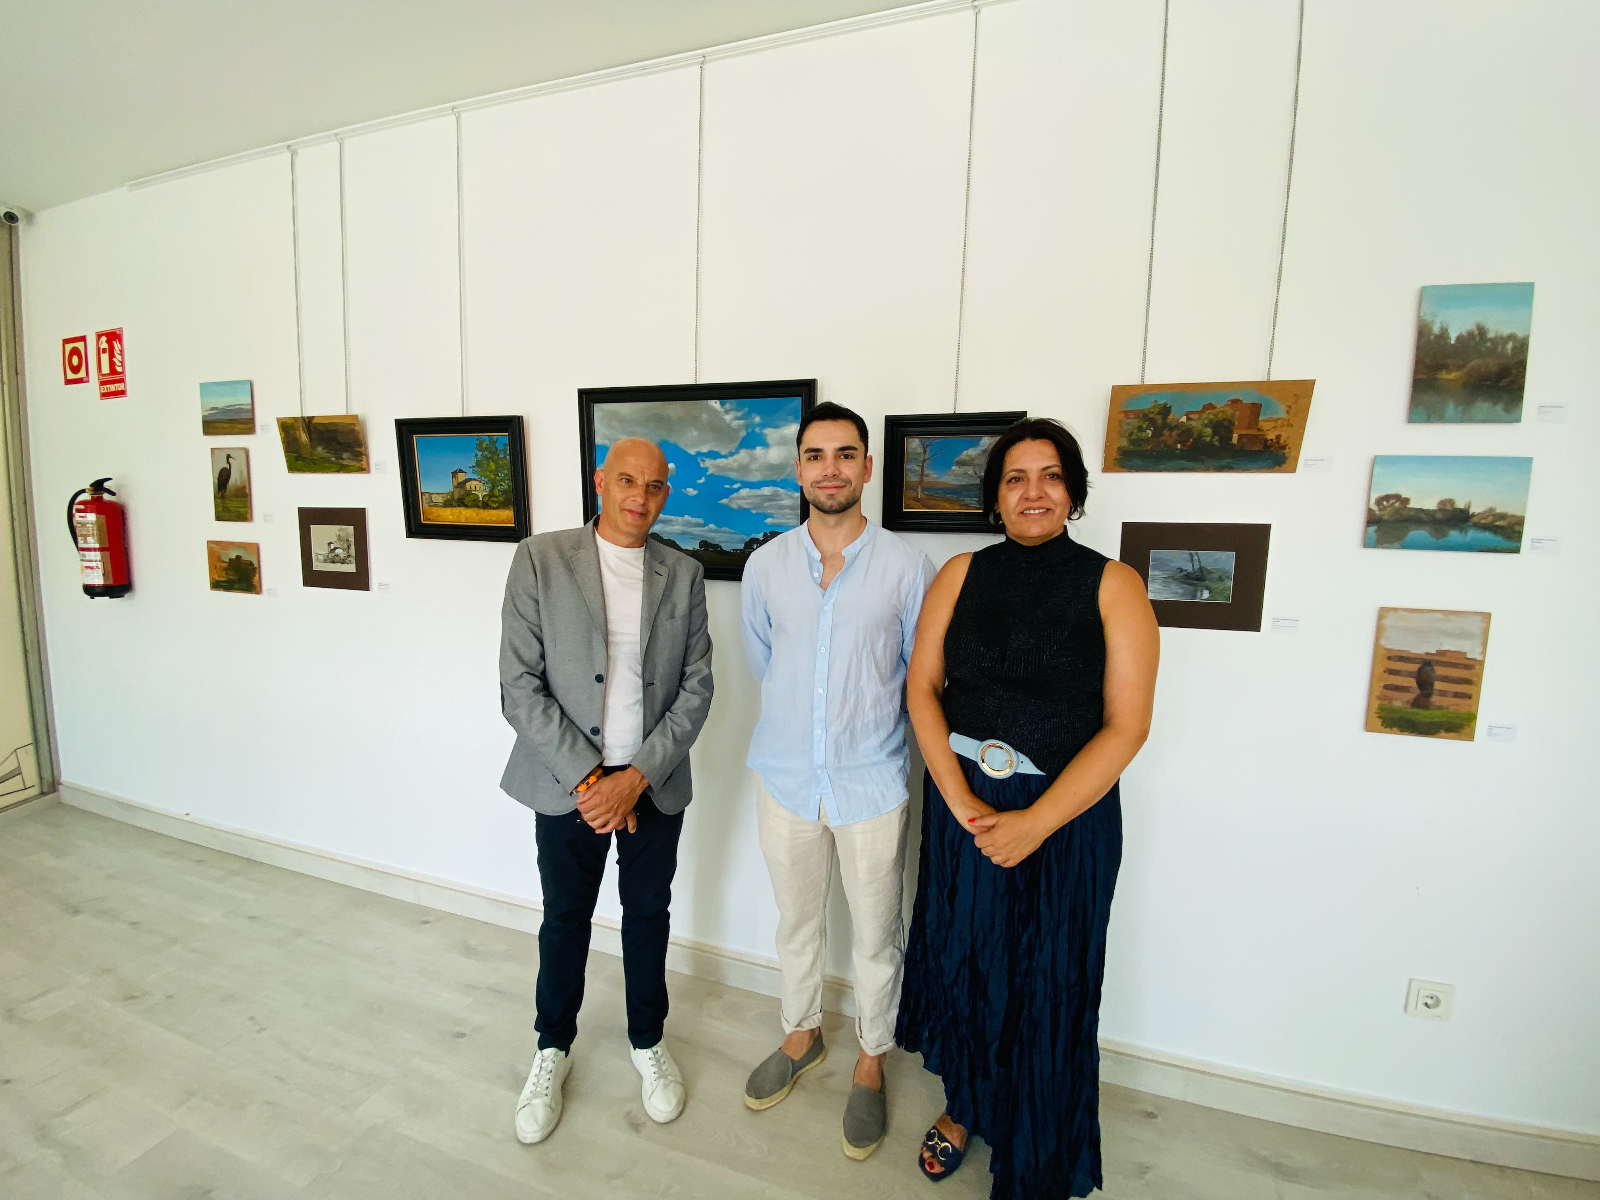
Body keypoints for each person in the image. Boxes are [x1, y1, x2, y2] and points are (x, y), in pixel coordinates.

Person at [896, 418, 1159, 1198]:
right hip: (963, 804)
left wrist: (1035, 823)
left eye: (1049, 476)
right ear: (995, 497)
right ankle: (967, 1104)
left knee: (1050, 982)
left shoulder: (1114, 584)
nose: (1033, 491)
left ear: (1073, 492)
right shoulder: (959, 574)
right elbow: (922, 690)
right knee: (969, 965)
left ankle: (1036, 1146)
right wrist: (959, 800)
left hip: (1066, 819)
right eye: (1015, 477)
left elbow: (1128, 726)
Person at [498, 437, 714, 1145]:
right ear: (600, 480)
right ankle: (551, 1048)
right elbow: (519, 688)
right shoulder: (539, 558)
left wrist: (636, 777)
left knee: (648, 916)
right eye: (627, 480)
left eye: (654, 487)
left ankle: (648, 1042)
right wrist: (594, 782)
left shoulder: (682, 572)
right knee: (565, 918)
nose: (639, 498)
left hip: (653, 782)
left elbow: (696, 687)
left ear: (665, 494)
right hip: (569, 787)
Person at [739, 402, 933, 1160]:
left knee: (878, 936)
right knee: (797, 921)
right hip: (784, 777)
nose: (830, 469)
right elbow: (767, 661)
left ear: (866, 467)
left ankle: (871, 1059)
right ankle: (801, 1034)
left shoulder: (906, 568)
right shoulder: (766, 565)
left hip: (872, 783)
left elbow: (919, 676)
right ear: (798, 469)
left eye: (845, 454)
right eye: (816, 455)